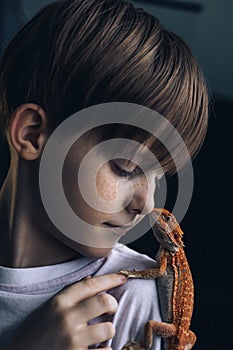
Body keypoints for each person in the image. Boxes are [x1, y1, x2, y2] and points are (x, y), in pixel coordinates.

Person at [0, 0, 208, 349]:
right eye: (125, 168)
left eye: (159, 177)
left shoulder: (128, 297)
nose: (146, 204)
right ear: (33, 134)